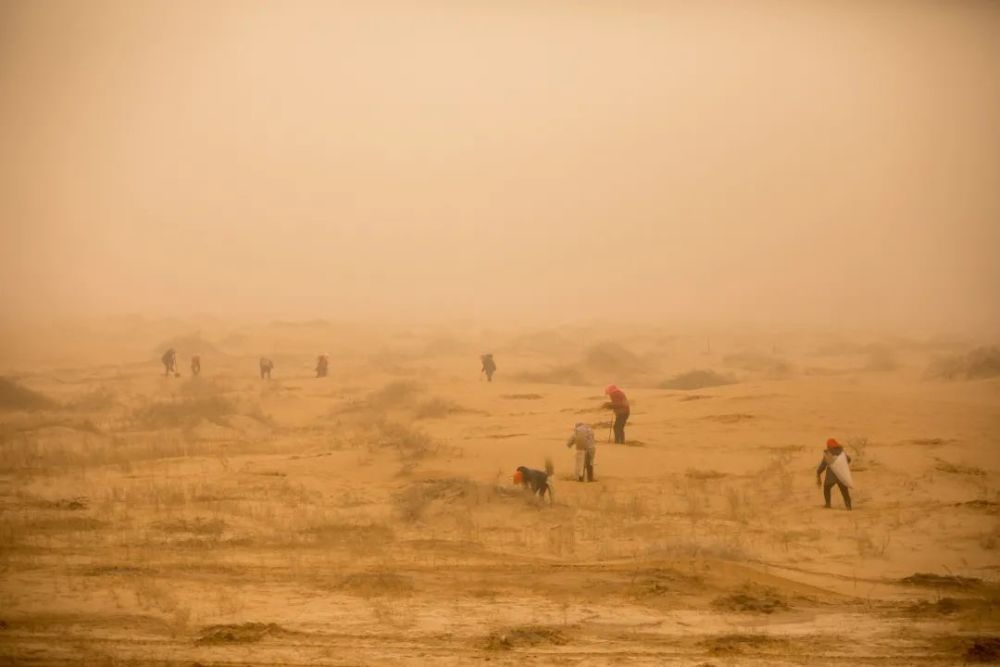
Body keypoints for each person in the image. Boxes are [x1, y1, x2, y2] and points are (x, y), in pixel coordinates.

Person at [816, 438, 853, 510]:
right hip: (841, 475)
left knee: (826, 488)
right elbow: (848, 459)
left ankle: (828, 504)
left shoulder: (828, 453)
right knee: (844, 491)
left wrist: (818, 472)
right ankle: (848, 506)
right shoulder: (841, 452)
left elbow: (823, 465)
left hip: (831, 476)